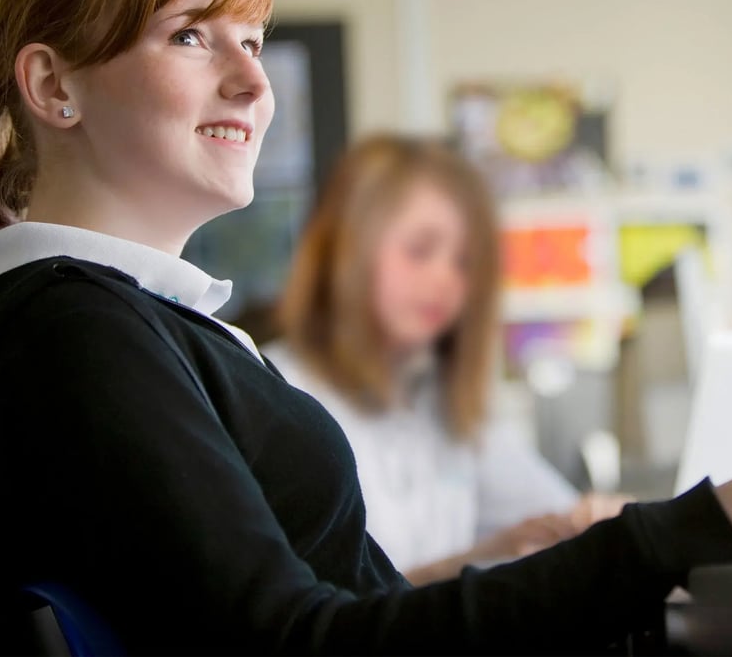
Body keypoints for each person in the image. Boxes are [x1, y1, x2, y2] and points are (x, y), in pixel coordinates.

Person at [0, 0, 732, 656]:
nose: (254, 81)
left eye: (251, 43)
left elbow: (350, 609)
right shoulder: (79, 333)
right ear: (53, 85)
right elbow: (298, 641)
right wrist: (698, 529)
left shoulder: (129, 323)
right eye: (189, 36)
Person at [263, 134, 630, 586]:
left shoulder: (443, 401)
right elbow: (314, 616)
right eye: (419, 251)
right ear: (347, 248)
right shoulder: (275, 392)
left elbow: (557, 516)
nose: (444, 280)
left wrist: (609, 521)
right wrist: (473, 562)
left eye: (464, 262)